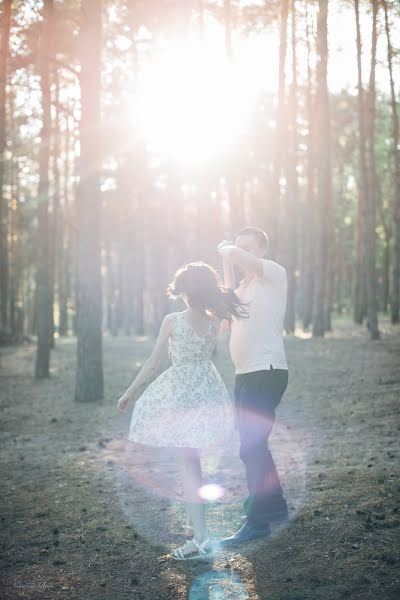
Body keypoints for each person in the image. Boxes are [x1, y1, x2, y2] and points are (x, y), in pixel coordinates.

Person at [117, 262, 248, 560]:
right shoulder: (215, 321)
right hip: (207, 390)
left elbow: (153, 363)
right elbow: (227, 297)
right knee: (193, 462)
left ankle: (201, 537)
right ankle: (198, 529)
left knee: (189, 465)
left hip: (184, 394)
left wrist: (129, 392)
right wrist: (226, 264)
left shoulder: (173, 320)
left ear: (188, 291)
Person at [217, 226, 290, 546]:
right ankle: (275, 508)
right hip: (245, 373)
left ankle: (257, 522)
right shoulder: (245, 286)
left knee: (251, 445)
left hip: (267, 370)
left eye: (247, 248)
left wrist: (230, 251)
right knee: (253, 445)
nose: (240, 253)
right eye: (238, 247)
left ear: (261, 249)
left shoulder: (273, 273)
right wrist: (227, 264)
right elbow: (224, 310)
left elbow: (238, 256)